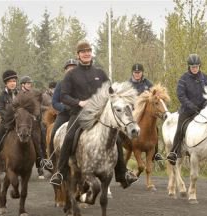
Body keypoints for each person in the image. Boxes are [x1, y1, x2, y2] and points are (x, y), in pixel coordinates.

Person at [50, 40, 136, 188]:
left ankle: (122, 174)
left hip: (100, 114)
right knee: (69, 136)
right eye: (83, 52)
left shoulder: (99, 73)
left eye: (88, 51)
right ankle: (60, 172)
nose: (86, 54)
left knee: (116, 138)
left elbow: (110, 92)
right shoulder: (71, 75)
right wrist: (79, 102)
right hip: (79, 113)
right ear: (78, 55)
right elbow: (64, 96)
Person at [129, 63, 163, 161]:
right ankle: (126, 144)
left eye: (139, 72)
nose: (137, 74)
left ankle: (156, 153)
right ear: (132, 73)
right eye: (135, 72)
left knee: (155, 128)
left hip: (145, 112)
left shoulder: (148, 83)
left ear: (142, 73)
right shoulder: (129, 84)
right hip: (132, 110)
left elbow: (155, 95)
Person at [48, 59, 77, 161]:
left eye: (73, 68)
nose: (71, 70)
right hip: (64, 115)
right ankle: (51, 161)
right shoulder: (60, 84)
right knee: (53, 133)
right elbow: (54, 102)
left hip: (78, 114)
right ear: (65, 71)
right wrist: (63, 107)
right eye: (69, 68)